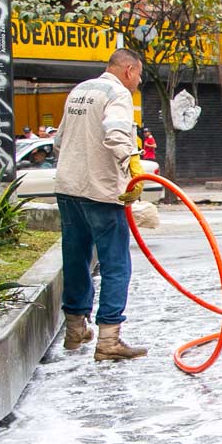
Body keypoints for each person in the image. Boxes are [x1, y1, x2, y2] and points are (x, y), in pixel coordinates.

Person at [53, 48, 149, 361]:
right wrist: (133, 164)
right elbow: (117, 132)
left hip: (69, 188)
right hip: (100, 191)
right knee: (115, 263)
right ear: (129, 69)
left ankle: (75, 329)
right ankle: (109, 339)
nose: (138, 81)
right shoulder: (118, 93)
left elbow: (58, 141)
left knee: (76, 258)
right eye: (138, 75)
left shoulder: (79, 91)